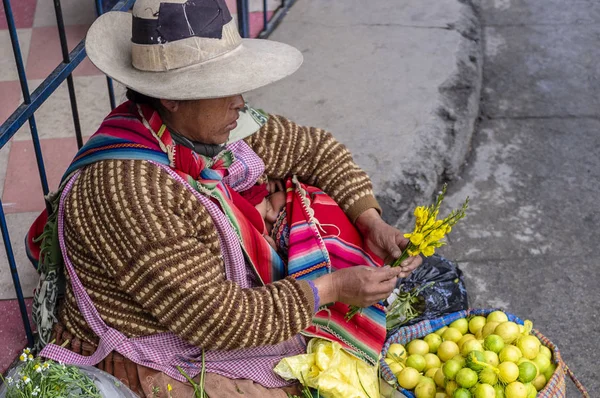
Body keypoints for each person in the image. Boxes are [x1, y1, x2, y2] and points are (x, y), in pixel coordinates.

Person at [26, 0, 422, 396]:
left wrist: (371, 221)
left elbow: (317, 149)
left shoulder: (210, 126)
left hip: (211, 305)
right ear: (172, 98)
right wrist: (331, 288)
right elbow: (219, 318)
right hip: (162, 335)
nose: (241, 102)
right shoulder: (130, 193)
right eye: (222, 88)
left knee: (318, 206)